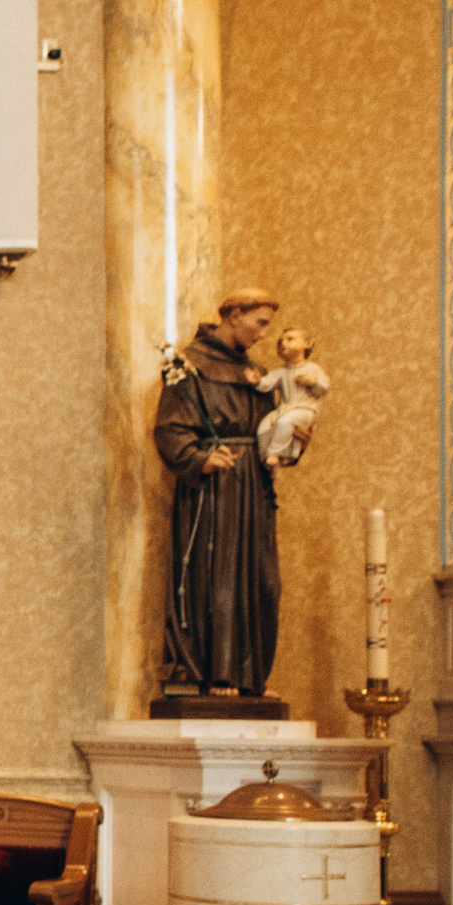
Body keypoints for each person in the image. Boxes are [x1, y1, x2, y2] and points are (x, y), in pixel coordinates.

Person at [157, 288, 294, 699]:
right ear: (233, 315)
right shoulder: (190, 365)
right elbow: (170, 427)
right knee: (220, 576)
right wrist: (199, 457)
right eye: (260, 322)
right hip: (216, 487)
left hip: (253, 484)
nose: (263, 333)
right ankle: (218, 673)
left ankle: (251, 675)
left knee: (263, 580)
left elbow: (272, 425)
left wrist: (288, 446)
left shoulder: (258, 373)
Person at [254, 327, 326, 468]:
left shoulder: (313, 369)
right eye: (280, 341)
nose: (282, 344)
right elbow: (266, 383)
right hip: (285, 409)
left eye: (290, 339)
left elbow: (322, 388)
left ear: (307, 343)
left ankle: (274, 453)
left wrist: (312, 382)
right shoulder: (281, 371)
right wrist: (256, 381)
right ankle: (268, 459)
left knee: (284, 423)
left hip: (305, 409)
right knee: (264, 428)